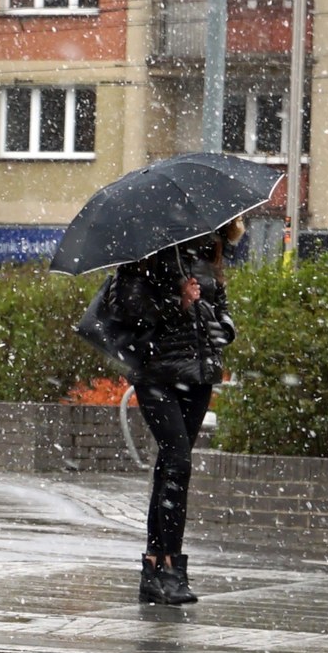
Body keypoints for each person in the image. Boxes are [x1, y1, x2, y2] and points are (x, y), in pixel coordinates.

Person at [112, 218, 243, 605]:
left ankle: (155, 567)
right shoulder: (142, 259)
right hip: (156, 374)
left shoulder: (207, 255)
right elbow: (129, 313)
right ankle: (171, 567)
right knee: (178, 462)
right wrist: (177, 303)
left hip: (198, 375)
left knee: (171, 467)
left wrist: (218, 323)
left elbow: (222, 313)